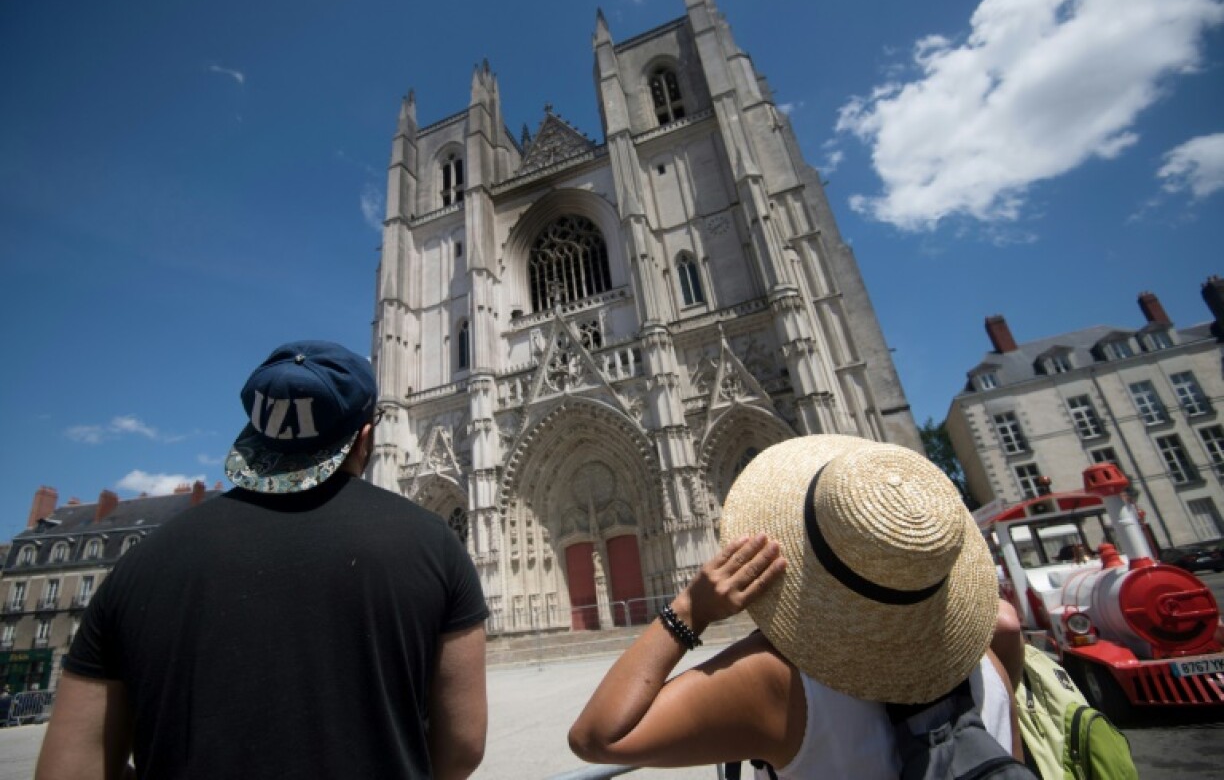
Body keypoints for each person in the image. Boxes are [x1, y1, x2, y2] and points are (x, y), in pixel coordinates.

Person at [36, 340, 489, 779]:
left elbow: (69, 769)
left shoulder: (139, 566)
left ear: (252, 434)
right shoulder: (434, 545)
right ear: (364, 438)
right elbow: (463, 748)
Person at [569, 435, 1023, 778]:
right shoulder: (992, 658)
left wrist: (690, 609)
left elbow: (599, 736)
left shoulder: (777, 682)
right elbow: (1005, 624)